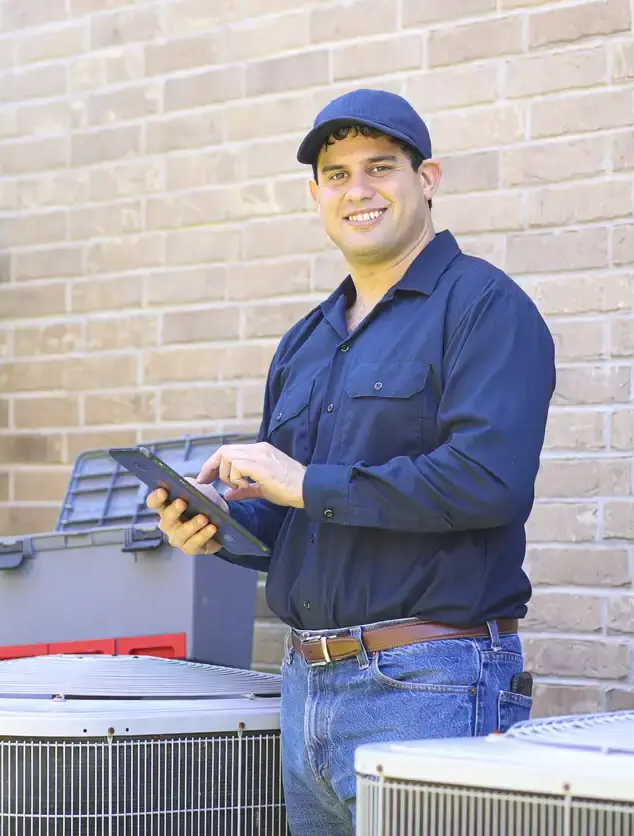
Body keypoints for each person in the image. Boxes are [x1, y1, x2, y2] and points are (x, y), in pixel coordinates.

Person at [145, 88, 556, 834]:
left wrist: (303, 484)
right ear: (316, 194)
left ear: (426, 178)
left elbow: (488, 482)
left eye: (380, 167)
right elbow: (299, 515)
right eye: (337, 175)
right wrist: (224, 526)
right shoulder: (307, 339)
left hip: (429, 683)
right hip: (305, 686)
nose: (357, 190)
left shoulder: (485, 308)